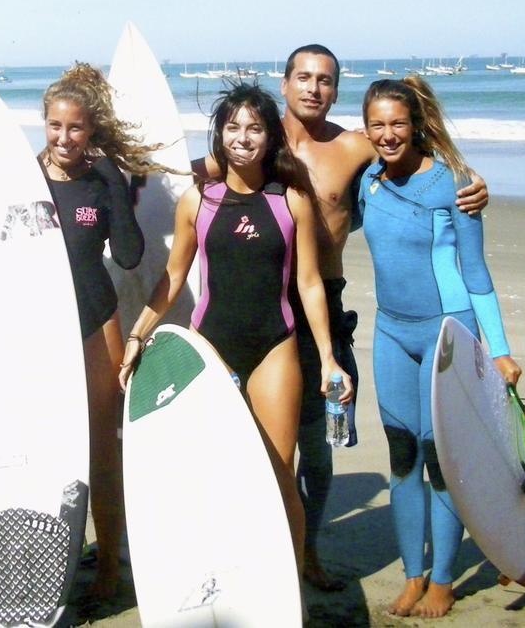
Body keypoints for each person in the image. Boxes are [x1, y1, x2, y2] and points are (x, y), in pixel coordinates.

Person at [196, 45, 489, 590]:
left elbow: (414, 160)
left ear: (336, 90)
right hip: (256, 302)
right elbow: (188, 180)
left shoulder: (355, 147)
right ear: (284, 84)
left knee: (320, 436)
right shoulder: (254, 137)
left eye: (325, 80)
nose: (313, 88)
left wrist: (469, 186)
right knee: (245, 433)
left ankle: (307, 552)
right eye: (303, 77)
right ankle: (246, 544)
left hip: (322, 302)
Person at [0, 63, 165, 598]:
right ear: (43, 125)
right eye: (54, 126)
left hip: (96, 322)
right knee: (42, 444)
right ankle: (44, 553)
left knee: (103, 449)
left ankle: (112, 565)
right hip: (34, 328)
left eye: (75, 128)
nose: (64, 138)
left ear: (90, 129)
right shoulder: (21, 178)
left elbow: (129, 254)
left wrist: (116, 184)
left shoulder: (100, 181)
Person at [119, 82, 354, 584]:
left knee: (278, 473)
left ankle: (288, 590)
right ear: (220, 135)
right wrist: (139, 334)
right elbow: (174, 276)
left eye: (254, 128)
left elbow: (310, 283)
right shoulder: (197, 201)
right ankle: (223, 574)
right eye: (233, 127)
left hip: (275, 345)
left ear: (270, 138)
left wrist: (330, 358)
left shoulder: (292, 201)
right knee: (215, 472)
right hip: (212, 347)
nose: (243, 137)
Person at [358, 76, 520, 618]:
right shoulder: (369, 183)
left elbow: (476, 272)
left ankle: (445, 580)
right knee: (402, 454)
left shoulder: (456, 184)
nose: (387, 134)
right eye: (376, 124)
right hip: (390, 331)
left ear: (416, 125)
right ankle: (413, 573)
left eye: (397, 123)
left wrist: (498, 348)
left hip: (447, 332)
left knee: (440, 458)